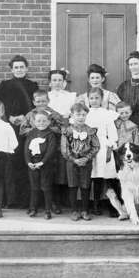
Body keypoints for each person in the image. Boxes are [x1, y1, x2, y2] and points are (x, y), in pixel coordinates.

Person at [0, 55, 38, 208]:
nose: (19, 70)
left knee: (25, 161)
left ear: (26, 69)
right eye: (16, 67)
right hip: (9, 128)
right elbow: (0, 105)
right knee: (10, 163)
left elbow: (36, 106)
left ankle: (25, 200)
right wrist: (9, 117)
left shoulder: (32, 85)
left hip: (27, 128)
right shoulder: (4, 85)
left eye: (22, 67)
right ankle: (11, 200)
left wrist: (25, 118)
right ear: (11, 70)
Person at [19, 90, 66, 214]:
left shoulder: (54, 114)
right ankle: (34, 206)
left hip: (51, 151)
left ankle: (53, 204)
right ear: (34, 102)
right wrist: (36, 128)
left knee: (52, 180)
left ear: (48, 101)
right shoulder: (30, 115)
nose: (41, 103)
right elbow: (22, 131)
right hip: (35, 152)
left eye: (43, 101)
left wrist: (48, 128)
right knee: (35, 181)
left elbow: (63, 128)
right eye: (38, 101)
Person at [61, 103, 100, 221]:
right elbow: (64, 148)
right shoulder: (67, 131)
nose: (81, 117)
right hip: (71, 162)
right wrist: (74, 159)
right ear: (72, 115)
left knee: (85, 186)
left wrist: (86, 158)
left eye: (83, 115)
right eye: (78, 114)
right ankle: (74, 211)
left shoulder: (90, 131)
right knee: (73, 186)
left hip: (86, 162)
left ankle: (85, 210)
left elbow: (96, 146)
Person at [85, 87, 119, 216]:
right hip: (87, 146)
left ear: (102, 99)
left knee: (105, 176)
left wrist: (110, 147)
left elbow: (112, 133)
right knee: (91, 176)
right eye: (91, 98)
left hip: (103, 147)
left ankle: (112, 205)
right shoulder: (85, 113)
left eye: (97, 98)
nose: (94, 101)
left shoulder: (106, 113)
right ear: (88, 99)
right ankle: (94, 204)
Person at [47, 69, 76, 211]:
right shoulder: (46, 97)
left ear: (64, 82)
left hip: (65, 133)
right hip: (50, 133)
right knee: (52, 165)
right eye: (54, 80)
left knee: (64, 166)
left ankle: (66, 200)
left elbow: (72, 115)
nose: (57, 83)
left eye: (60, 80)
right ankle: (54, 201)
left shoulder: (70, 97)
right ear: (50, 82)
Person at [24, 111, 57, 220]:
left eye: (44, 121)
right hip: (33, 164)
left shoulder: (50, 134)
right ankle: (33, 208)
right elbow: (26, 150)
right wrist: (29, 162)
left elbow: (50, 151)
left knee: (46, 187)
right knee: (34, 187)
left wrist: (42, 162)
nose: (41, 123)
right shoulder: (31, 133)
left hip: (45, 164)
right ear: (33, 122)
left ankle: (48, 210)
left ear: (48, 122)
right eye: (38, 121)